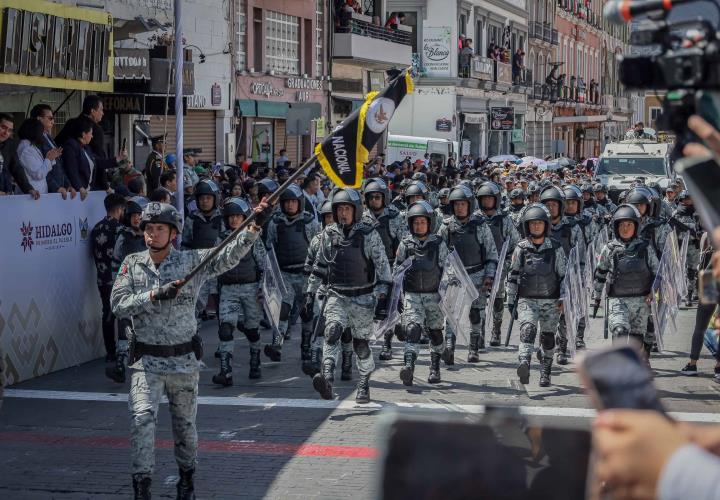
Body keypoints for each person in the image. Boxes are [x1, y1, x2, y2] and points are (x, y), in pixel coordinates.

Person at [111, 200, 270, 499]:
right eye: (148, 228)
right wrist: (155, 294)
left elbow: (228, 255)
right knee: (141, 420)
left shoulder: (190, 262)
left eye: (160, 228)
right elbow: (118, 304)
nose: (152, 234)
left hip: (183, 362)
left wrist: (254, 227)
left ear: (173, 233)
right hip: (146, 362)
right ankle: (141, 487)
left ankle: (187, 482)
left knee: (185, 428)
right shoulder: (131, 264)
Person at [306, 188, 391, 403]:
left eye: (347, 208)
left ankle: (364, 383)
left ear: (357, 210)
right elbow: (319, 267)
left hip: (363, 297)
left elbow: (383, 271)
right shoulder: (328, 234)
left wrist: (383, 298)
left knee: (360, 344)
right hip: (336, 294)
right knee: (332, 332)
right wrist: (309, 294)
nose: (343, 213)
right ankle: (327, 378)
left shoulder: (369, 234)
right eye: (339, 209)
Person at [506, 203, 567, 387]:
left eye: (539, 223)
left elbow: (564, 277)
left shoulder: (556, 248)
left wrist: (564, 298)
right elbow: (513, 275)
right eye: (532, 224)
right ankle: (524, 361)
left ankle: (546, 371)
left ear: (546, 225)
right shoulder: (521, 248)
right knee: (528, 330)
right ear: (527, 226)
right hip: (528, 299)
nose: (536, 227)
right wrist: (510, 299)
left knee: (548, 338)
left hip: (551, 301)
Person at [439, 185, 498, 363]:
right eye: (456, 204)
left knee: (475, 313)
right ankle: (449, 346)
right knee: (451, 314)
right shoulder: (446, 227)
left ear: (470, 205)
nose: (459, 208)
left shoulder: (480, 226)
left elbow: (491, 254)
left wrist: (489, 276)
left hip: (477, 276)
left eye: (463, 204)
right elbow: (438, 253)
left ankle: (473, 348)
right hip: (454, 277)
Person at [395, 201, 450, 385]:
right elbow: (398, 269)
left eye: (422, 222)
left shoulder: (438, 243)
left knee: (435, 332)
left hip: (434, 295)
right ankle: (409, 367)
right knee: (412, 329)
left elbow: (448, 269)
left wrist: (448, 294)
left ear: (429, 223)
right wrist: (396, 295)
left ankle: (435, 368)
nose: (419, 226)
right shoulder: (405, 243)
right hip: (412, 295)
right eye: (415, 222)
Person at [264, 184, 321, 362]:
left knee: (307, 312)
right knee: (282, 310)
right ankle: (277, 344)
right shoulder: (275, 222)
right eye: (286, 202)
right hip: (284, 274)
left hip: (305, 275)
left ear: (300, 203)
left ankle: (306, 346)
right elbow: (269, 247)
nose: (289, 205)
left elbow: (318, 247)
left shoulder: (309, 222)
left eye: (293, 202)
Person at [214, 197, 267, 384]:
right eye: (231, 216)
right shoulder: (220, 238)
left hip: (250, 289)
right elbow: (214, 265)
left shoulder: (254, 237)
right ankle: (225, 371)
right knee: (225, 329)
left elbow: (264, 265)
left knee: (252, 329)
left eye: (238, 216)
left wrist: (263, 288)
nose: (234, 220)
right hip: (227, 289)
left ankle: (255, 360)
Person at [592, 205, 659, 349]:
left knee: (636, 342)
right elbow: (600, 273)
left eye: (629, 224)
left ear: (636, 226)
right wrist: (597, 297)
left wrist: (654, 291)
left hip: (641, 302)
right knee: (619, 332)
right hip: (617, 300)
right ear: (616, 227)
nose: (625, 228)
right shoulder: (609, 249)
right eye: (622, 224)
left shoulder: (646, 248)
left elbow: (658, 273)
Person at [362, 178, 407, 360]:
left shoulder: (395, 217)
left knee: (389, 308)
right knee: (366, 308)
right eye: (371, 197)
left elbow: (403, 243)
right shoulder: (362, 218)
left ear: (385, 198)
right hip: (367, 270)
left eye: (377, 197)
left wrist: (399, 269)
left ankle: (387, 344)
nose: (374, 201)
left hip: (390, 268)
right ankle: (363, 342)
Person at [105, 196, 149, 383]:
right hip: (128, 287)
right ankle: (121, 365)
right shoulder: (123, 236)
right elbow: (116, 262)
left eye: (140, 215)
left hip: (148, 289)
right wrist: (118, 287)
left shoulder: (152, 236)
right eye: (133, 215)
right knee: (124, 326)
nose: (137, 218)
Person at [540, 185, 585, 363]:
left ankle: (562, 346)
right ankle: (545, 345)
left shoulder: (572, 228)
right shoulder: (537, 225)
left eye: (554, 204)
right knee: (546, 316)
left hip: (567, 278)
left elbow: (580, 255)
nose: (551, 208)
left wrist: (580, 278)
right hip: (545, 278)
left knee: (565, 316)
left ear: (561, 206)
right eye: (547, 204)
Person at [477, 181, 520, 346]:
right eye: (484, 198)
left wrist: (509, 262)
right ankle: (479, 332)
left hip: (501, 265)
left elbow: (515, 243)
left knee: (497, 298)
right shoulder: (475, 219)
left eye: (490, 198)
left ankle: (496, 330)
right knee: (479, 300)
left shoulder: (505, 220)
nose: (487, 201)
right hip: (479, 265)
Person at [182, 179, 224, 330]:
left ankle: (224, 345)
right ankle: (193, 340)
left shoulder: (224, 217)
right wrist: (186, 267)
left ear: (215, 199)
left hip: (219, 270)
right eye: (201, 198)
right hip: (198, 270)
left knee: (223, 310)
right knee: (194, 307)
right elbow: (185, 244)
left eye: (208, 198)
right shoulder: (191, 219)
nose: (205, 201)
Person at [90, 193, 126, 363]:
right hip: (120, 278)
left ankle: (110, 352)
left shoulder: (96, 228)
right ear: (119, 209)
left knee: (108, 314)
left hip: (102, 278)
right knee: (125, 315)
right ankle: (125, 350)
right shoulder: (121, 230)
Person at [30, 104, 76, 199]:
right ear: (39, 119)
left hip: (60, 189)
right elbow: (43, 169)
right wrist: (56, 188)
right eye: (50, 118)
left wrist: (68, 185)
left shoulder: (48, 137)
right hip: (48, 192)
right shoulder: (36, 141)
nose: (53, 121)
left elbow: (59, 164)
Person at [668, 190, 703, 305]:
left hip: (694, 246)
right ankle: (679, 295)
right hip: (680, 244)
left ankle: (689, 294)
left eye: (689, 198)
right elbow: (670, 230)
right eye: (685, 198)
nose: (687, 200)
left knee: (692, 271)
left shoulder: (697, 214)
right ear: (681, 199)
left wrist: (698, 234)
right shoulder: (675, 214)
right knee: (679, 271)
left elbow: (702, 228)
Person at [62, 117, 112, 196]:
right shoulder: (71, 146)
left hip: (87, 191)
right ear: (84, 134)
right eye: (91, 133)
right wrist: (79, 187)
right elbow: (72, 170)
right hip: (77, 193)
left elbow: (98, 162)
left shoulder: (86, 148)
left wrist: (118, 159)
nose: (92, 136)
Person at [16, 118, 61, 194]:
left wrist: (49, 157)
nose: (43, 133)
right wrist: (49, 159)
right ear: (34, 131)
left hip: (38, 194)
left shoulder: (31, 146)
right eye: (41, 131)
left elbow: (42, 167)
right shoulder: (25, 149)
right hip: (31, 195)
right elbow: (38, 174)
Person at [0, 112, 39, 198]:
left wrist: (29, 189)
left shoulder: (10, 145)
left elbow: (17, 168)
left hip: (6, 196)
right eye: (3, 127)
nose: (6, 132)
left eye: (10, 130)